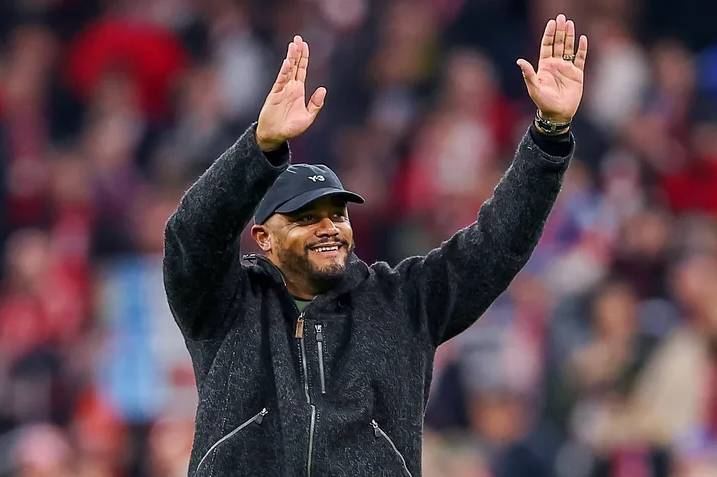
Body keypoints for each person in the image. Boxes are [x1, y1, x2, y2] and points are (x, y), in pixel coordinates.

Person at [163, 13, 588, 477]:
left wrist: (549, 134)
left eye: (337, 214)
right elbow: (192, 235)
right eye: (305, 218)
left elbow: (497, 243)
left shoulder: (402, 302)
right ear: (263, 237)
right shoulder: (224, 306)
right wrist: (260, 148)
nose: (329, 227)